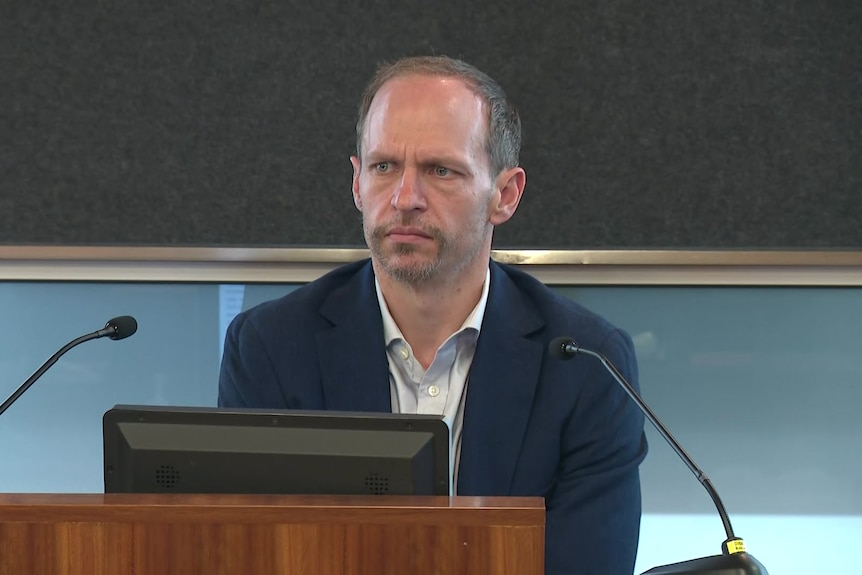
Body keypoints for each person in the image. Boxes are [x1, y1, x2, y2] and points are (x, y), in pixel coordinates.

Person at [219, 55, 647, 575]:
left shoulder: (585, 363)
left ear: (505, 195)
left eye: (440, 170)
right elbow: (252, 557)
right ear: (356, 184)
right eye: (384, 167)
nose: (405, 199)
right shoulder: (270, 347)